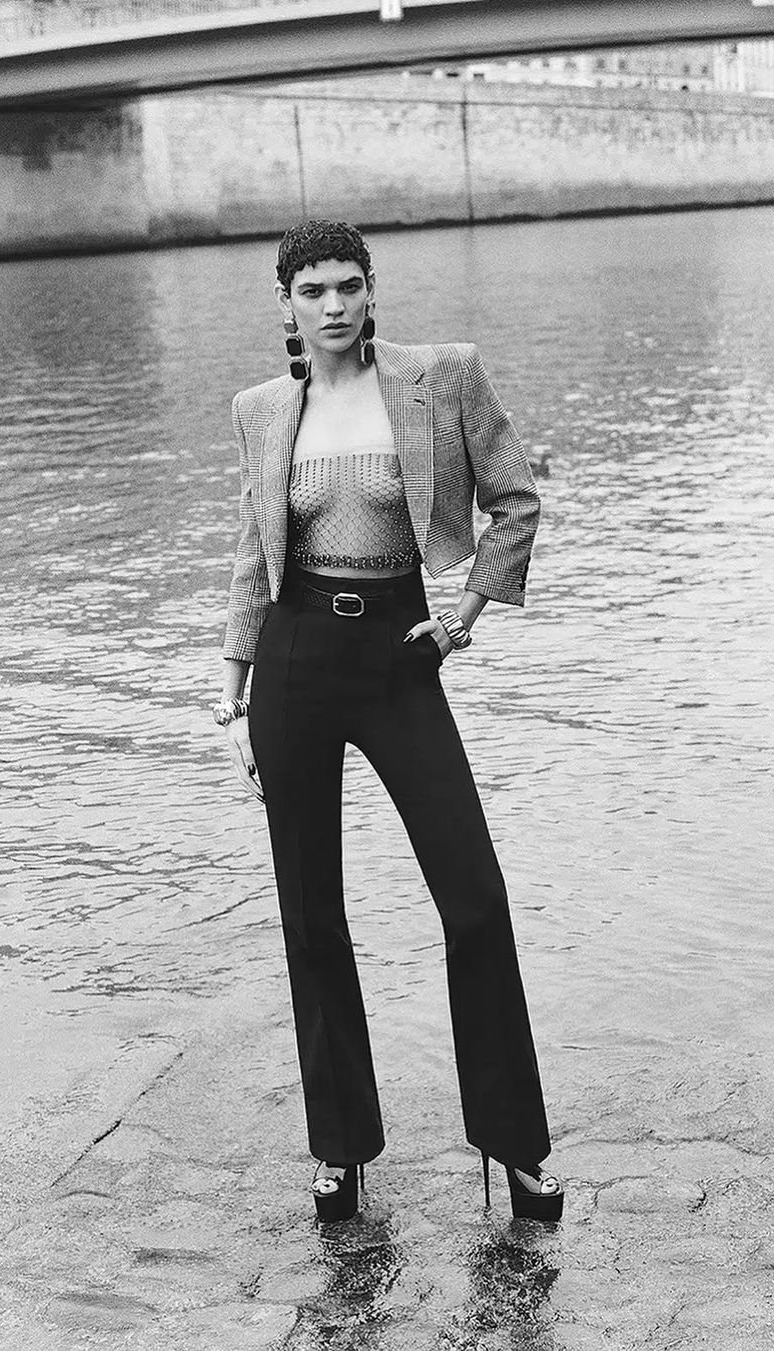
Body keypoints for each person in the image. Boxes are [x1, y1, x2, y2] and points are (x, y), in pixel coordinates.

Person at [214, 219, 563, 1224]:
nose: (333, 305)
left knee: (474, 897)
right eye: (312, 290)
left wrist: (466, 615)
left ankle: (514, 1143)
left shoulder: (440, 377)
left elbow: (517, 501)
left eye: (348, 286)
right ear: (286, 302)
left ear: (372, 288)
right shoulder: (259, 409)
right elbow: (253, 552)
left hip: (401, 655)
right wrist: (233, 689)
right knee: (310, 911)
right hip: (294, 661)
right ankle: (341, 1148)